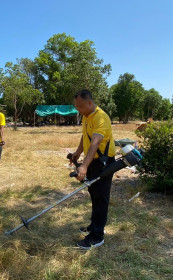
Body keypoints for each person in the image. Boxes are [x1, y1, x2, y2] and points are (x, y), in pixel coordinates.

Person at [70, 89, 116, 249]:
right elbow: (86, 136)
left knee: (101, 198)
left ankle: (97, 236)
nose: (78, 109)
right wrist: (78, 152)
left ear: (90, 103)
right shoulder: (86, 116)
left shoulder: (101, 117)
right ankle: (94, 225)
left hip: (103, 162)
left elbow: (95, 142)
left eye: (80, 106)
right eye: (76, 106)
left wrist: (83, 166)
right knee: (94, 194)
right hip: (92, 162)